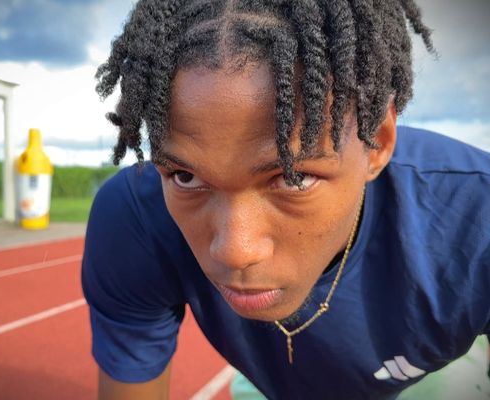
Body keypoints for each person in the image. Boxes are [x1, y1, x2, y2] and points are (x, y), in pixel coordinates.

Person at [81, 1, 490, 399]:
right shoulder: (135, 217)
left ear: (378, 143)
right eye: (185, 177)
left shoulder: (477, 219)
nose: (234, 252)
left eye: (294, 179)